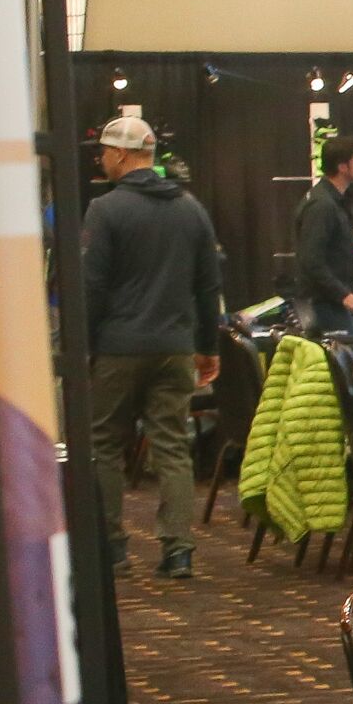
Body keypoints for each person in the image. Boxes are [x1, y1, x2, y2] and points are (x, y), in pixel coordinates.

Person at [82, 114, 224, 580]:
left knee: (105, 444)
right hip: (176, 347)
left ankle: (112, 548)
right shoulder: (191, 208)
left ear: (121, 155)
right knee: (172, 447)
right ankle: (178, 550)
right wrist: (207, 347)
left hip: (118, 347)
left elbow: (92, 287)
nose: (101, 161)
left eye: (104, 153)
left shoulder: (104, 210)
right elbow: (209, 286)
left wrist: (84, 346)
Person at [293, 135, 353, 337]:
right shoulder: (322, 206)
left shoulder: (339, 202)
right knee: (344, 355)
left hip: (334, 303)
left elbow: (348, 248)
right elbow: (311, 261)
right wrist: (344, 295)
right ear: (342, 167)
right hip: (322, 307)